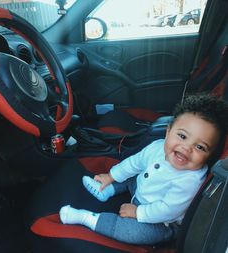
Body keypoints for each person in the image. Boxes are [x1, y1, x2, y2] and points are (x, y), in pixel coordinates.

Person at [59, 94, 228, 245]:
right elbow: (134, 163)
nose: (186, 148)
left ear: (209, 156)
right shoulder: (157, 147)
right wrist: (111, 176)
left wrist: (138, 212)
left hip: (161, 220)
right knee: (131, 175)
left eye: (200, 147)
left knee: (137, 233)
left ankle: (87, 218)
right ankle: (107, 190)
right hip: (142, 188)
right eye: (182, 136)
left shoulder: (190, 181)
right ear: (168, 132)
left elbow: (167, 210)